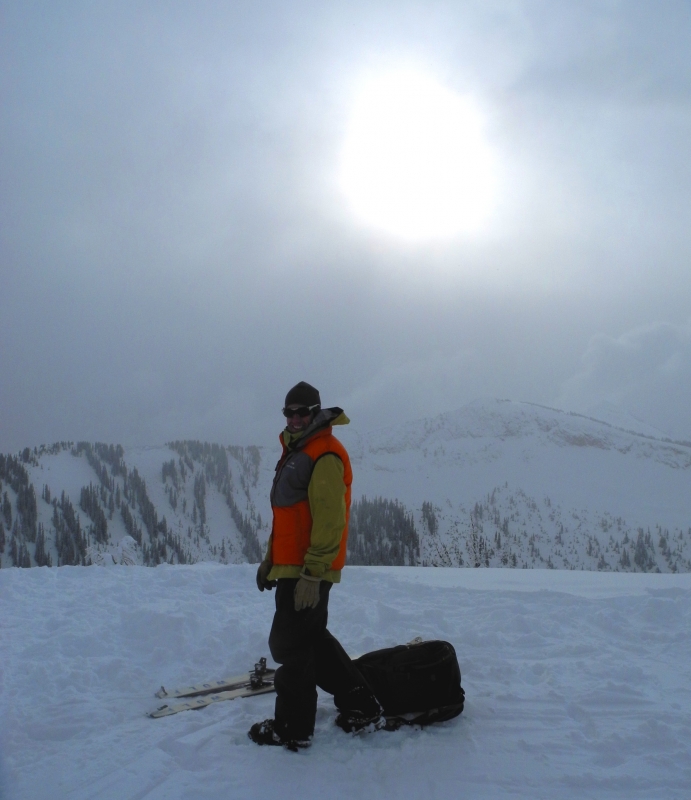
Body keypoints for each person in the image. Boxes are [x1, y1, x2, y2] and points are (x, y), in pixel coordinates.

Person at [248, 381, 382, 750]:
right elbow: (289, 519)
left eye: (301, 412)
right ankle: (361, 703)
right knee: (311, 641)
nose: (294, 418)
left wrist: (312, 573)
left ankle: (292, 727)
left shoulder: (324, 453)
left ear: (315, 413)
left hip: (308, 571)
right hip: (293, 568)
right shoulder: (298, 451)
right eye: (288, 412)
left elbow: (329, 519)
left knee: (289, 645)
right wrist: (270, 561)